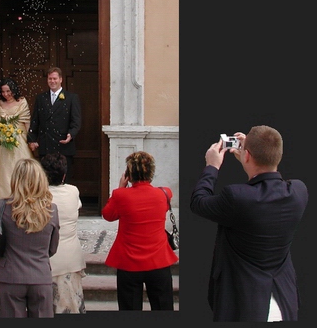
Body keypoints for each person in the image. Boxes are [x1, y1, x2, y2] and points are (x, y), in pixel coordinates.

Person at [190, 126, 308, 321]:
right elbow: (270, 175)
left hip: (244, 304)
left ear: (246, 156)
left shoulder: (237, 197)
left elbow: (198, 201)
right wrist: (253, 156)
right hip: (284, 302)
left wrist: (212, 166)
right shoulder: (299, 191)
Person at [101, 151, 177, 311]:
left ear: (129, 175)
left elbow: (107, 215)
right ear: (151, 173)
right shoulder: (164, 193)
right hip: (159, 261)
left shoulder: (120, 195)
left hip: (129, 263)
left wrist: (120, 187)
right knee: (163, 308)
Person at [0, 158, 60, 318]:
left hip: (11, 274)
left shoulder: (2, 206)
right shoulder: (52, 210)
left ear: (15, 180)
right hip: (40, 274)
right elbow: (52, 248)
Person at [40, 153, 86, 313]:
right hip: (70, 258)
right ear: (64, 174)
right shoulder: (73, 191)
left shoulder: (38, 195)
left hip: (45, 259)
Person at [27, 67, 81, 181]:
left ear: (61, 79)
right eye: (50, 78)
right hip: (46, 146)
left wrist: (71, 135)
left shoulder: (71, 98)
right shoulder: (41, 98)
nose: (52, 81)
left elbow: (76, 121)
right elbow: (35, 120)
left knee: (64, 180)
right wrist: (32, 139)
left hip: (63, 146)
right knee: (45, 180)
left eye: (55, 78)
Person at [0, 77, 34, 200]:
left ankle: (23, 198)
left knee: (20, 167)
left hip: (19, 139)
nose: (6, 94)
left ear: (13, 90)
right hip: (3, 141)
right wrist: (1, 133)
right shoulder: (0, 102)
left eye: (8, 91)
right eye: (3, 92)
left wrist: (30, 140)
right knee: (3, 170)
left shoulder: (22, 102)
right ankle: (3, 198)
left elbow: (27, 122)